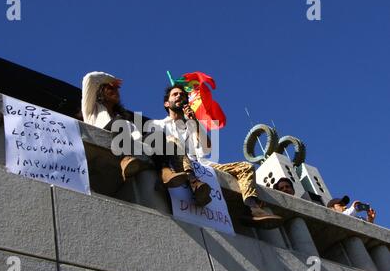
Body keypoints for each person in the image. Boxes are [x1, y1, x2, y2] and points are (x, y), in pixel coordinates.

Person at [148, 84, 283, 229]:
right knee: (172, 141)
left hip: (202, 165)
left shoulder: (192, 125)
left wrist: (194, 122)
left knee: (246, 167)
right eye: (175, 94)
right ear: (166, 103)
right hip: (178, 163)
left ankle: (252, 207)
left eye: (182, 95)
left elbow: (206, 148)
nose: (180, 96)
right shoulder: (159, 124)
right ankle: (194, 183)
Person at [82, 72, 211, 206]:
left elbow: (140, 141)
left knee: (158, 136)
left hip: (136, 147)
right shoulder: (92, 109)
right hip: (118, 148)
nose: (115, 90)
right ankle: (126, 158)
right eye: (110, 87)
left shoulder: (124, 119)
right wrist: (111, 79)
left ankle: (165, 172)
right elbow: (89, 79)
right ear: (100, 91)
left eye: (116, 88)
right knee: (119, 122)